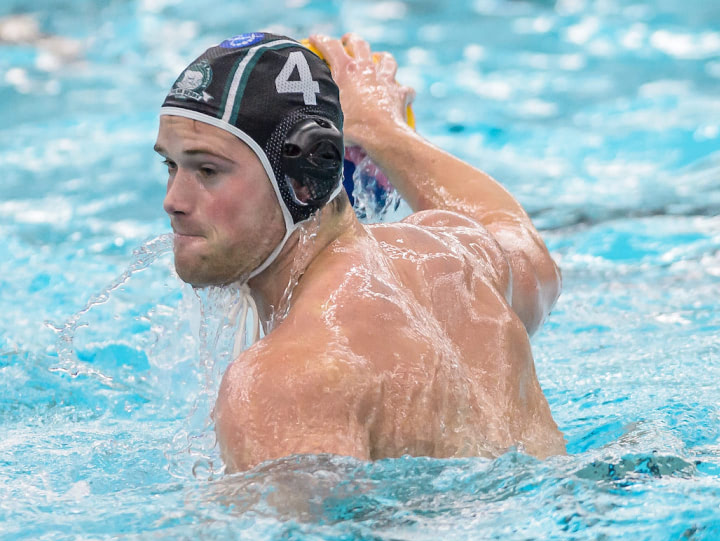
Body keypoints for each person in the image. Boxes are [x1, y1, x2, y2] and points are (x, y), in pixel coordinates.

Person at [154, 32, 566, 473]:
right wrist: (385, 131)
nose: (173, 200)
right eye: (171, 165)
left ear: (303, 176)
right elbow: (530, 254)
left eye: (208, 170)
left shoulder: (287, 380)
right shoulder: (455, 256)